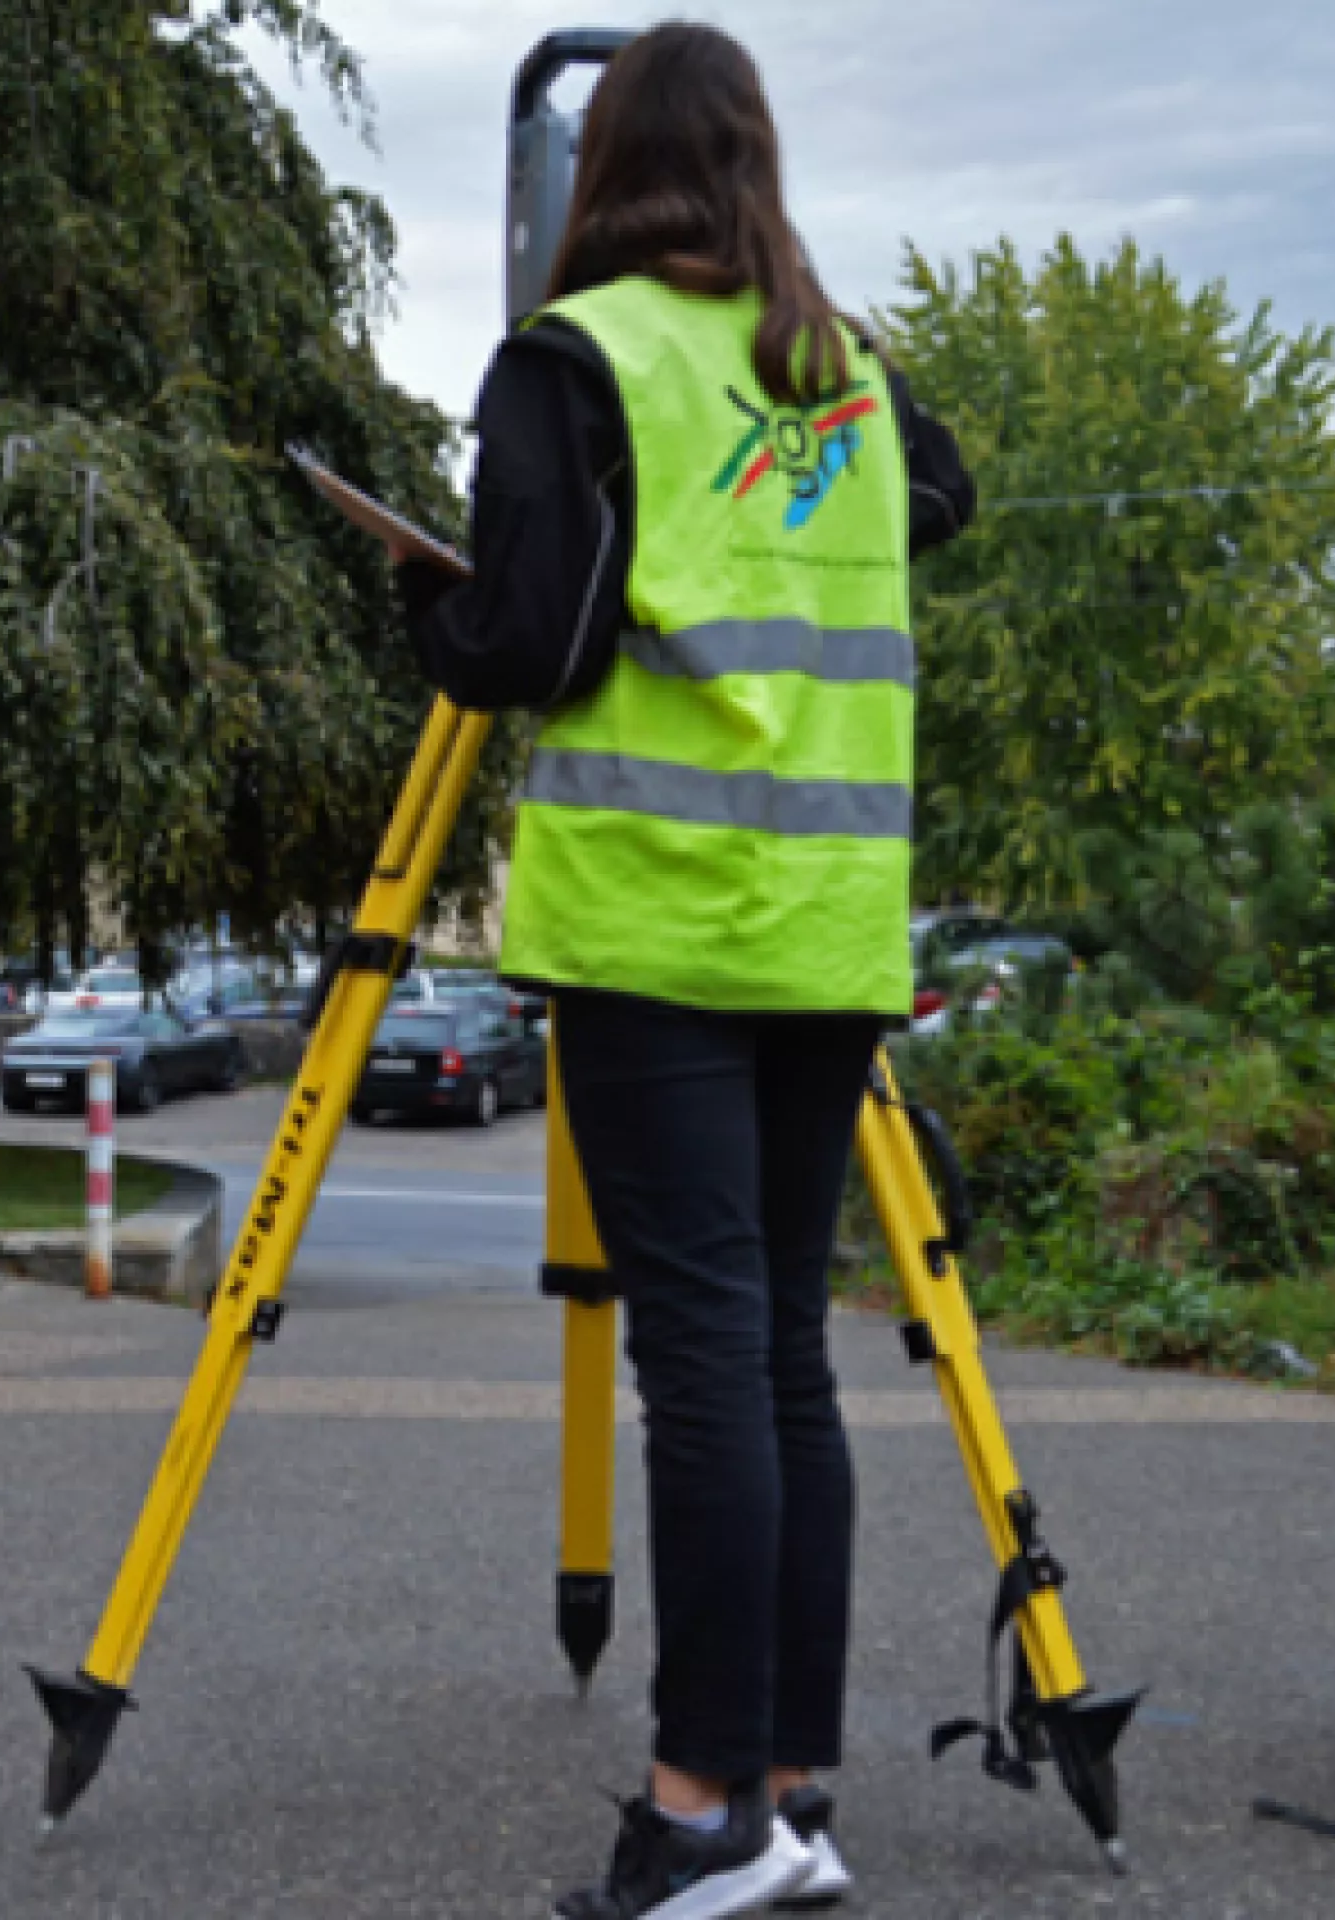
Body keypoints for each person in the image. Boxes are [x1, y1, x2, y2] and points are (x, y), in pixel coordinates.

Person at [395, 24, 974, 1920]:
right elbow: (938, 509)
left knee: (707, 1373)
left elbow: (533, 639)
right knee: (785, 1367)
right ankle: (790, 1793)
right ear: (757, 163)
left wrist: (442, 604)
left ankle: (698, 1814)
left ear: (600, 177)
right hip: (826, 942)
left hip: (658, 935)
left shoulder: (585, 358)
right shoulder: (848, 375)